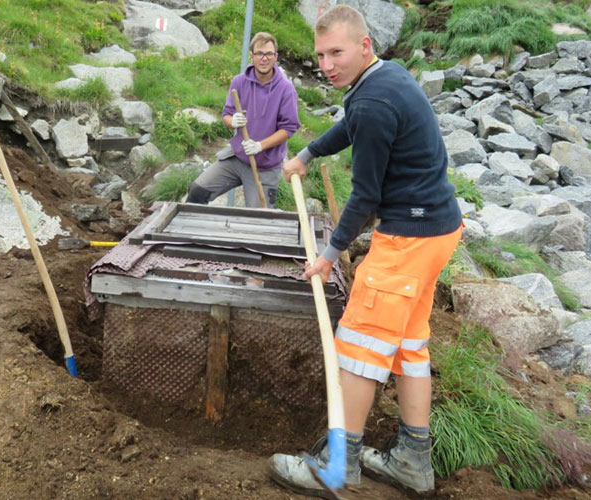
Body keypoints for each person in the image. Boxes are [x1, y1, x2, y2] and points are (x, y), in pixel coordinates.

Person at [268, 5, 462, 498]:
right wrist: (308, 154)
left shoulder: (373, 103)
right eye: (320, 55)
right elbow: (353, 125)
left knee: (357, 348)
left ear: (364, 46)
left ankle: (338, 466)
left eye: (337, 52)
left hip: (407, 241)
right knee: (407, 346)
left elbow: (366, 197)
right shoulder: (383, 79)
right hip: (439, 232)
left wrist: (330, 254)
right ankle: (413, 461)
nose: (327, 64)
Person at [186, 32, 300, 208]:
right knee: (197, 191)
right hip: (237, 157)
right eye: (259, 53)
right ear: (252, 56)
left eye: (269, 54)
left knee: (259, 219)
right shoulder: (239, 82)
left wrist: (260, 145)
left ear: (275, 56)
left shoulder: (286, 89)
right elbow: (226, 114)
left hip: (265, 166)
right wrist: (232, 121)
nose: (264, 58)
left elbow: (289, 128)